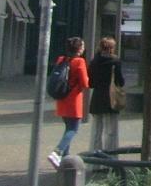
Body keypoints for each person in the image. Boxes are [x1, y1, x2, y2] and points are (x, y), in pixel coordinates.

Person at [48, 36, 89, 169]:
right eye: (82, 46)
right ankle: (58, 152)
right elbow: (84, 83)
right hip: (73, 101)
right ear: (78, 49)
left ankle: (65, 159)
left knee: (67, 128)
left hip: (62, 99)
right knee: (73, 129)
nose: (84, 48)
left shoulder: (61, 59)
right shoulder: (79, 62)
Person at [87, 36, 124, 152]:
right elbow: (120, 81)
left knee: (96, 131)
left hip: (97, 98)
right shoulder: (115, 61)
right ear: (112, 48)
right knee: (111, 131)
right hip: (111, 98)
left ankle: (95, 160)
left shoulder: (94, 61)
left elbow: (91, 83)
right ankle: (111, 159)